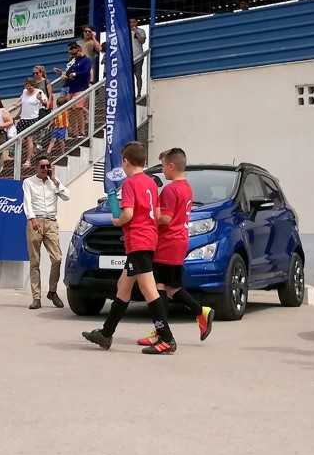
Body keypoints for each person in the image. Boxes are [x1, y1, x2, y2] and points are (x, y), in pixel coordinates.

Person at [81, 141, 176, 355]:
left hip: (138, 241)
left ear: (125, 161)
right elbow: (155, 212)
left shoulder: (130, 183)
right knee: (123, 286)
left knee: (148, 289)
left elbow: (128, 214)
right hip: (147, 239)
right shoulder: (151, 183)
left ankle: (167, 338)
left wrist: (118, 220)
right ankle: (106, 333)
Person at [137, 147, 213, 348]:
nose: (162, 171)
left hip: (167, 242)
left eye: (163, 166)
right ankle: (200, 312)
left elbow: (166, 218)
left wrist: (149, 214)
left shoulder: (170, 190)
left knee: (159, 287)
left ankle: (162, 331)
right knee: (171, 287)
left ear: (171, 166)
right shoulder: (186, 187)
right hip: (179, 240)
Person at [22, 155, 69, 310]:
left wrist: (55, 180)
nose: (45, 169)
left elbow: (67, 196)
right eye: (42, 166)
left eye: (47, 166)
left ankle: (52, 291)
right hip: (35, 221)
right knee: (35, 261)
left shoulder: (54, 182)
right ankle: (36, 297)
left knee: (57, 258)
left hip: (51, 223)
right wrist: (32, 218)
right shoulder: (28, 182)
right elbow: (27, 201)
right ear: (36, 167)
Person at [60, 42, 93, 138]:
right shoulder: (74, 61)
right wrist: (64, 75)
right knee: (71, 110)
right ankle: (74, 132)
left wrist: (75, 74)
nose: (73, 56)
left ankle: (82, 131)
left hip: (81, 87)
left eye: (74, 53)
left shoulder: (86, 60)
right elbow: (68, 72)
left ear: (79, 50)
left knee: (78, 109)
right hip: (72, 88)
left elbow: (86, 71)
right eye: (71, 54)